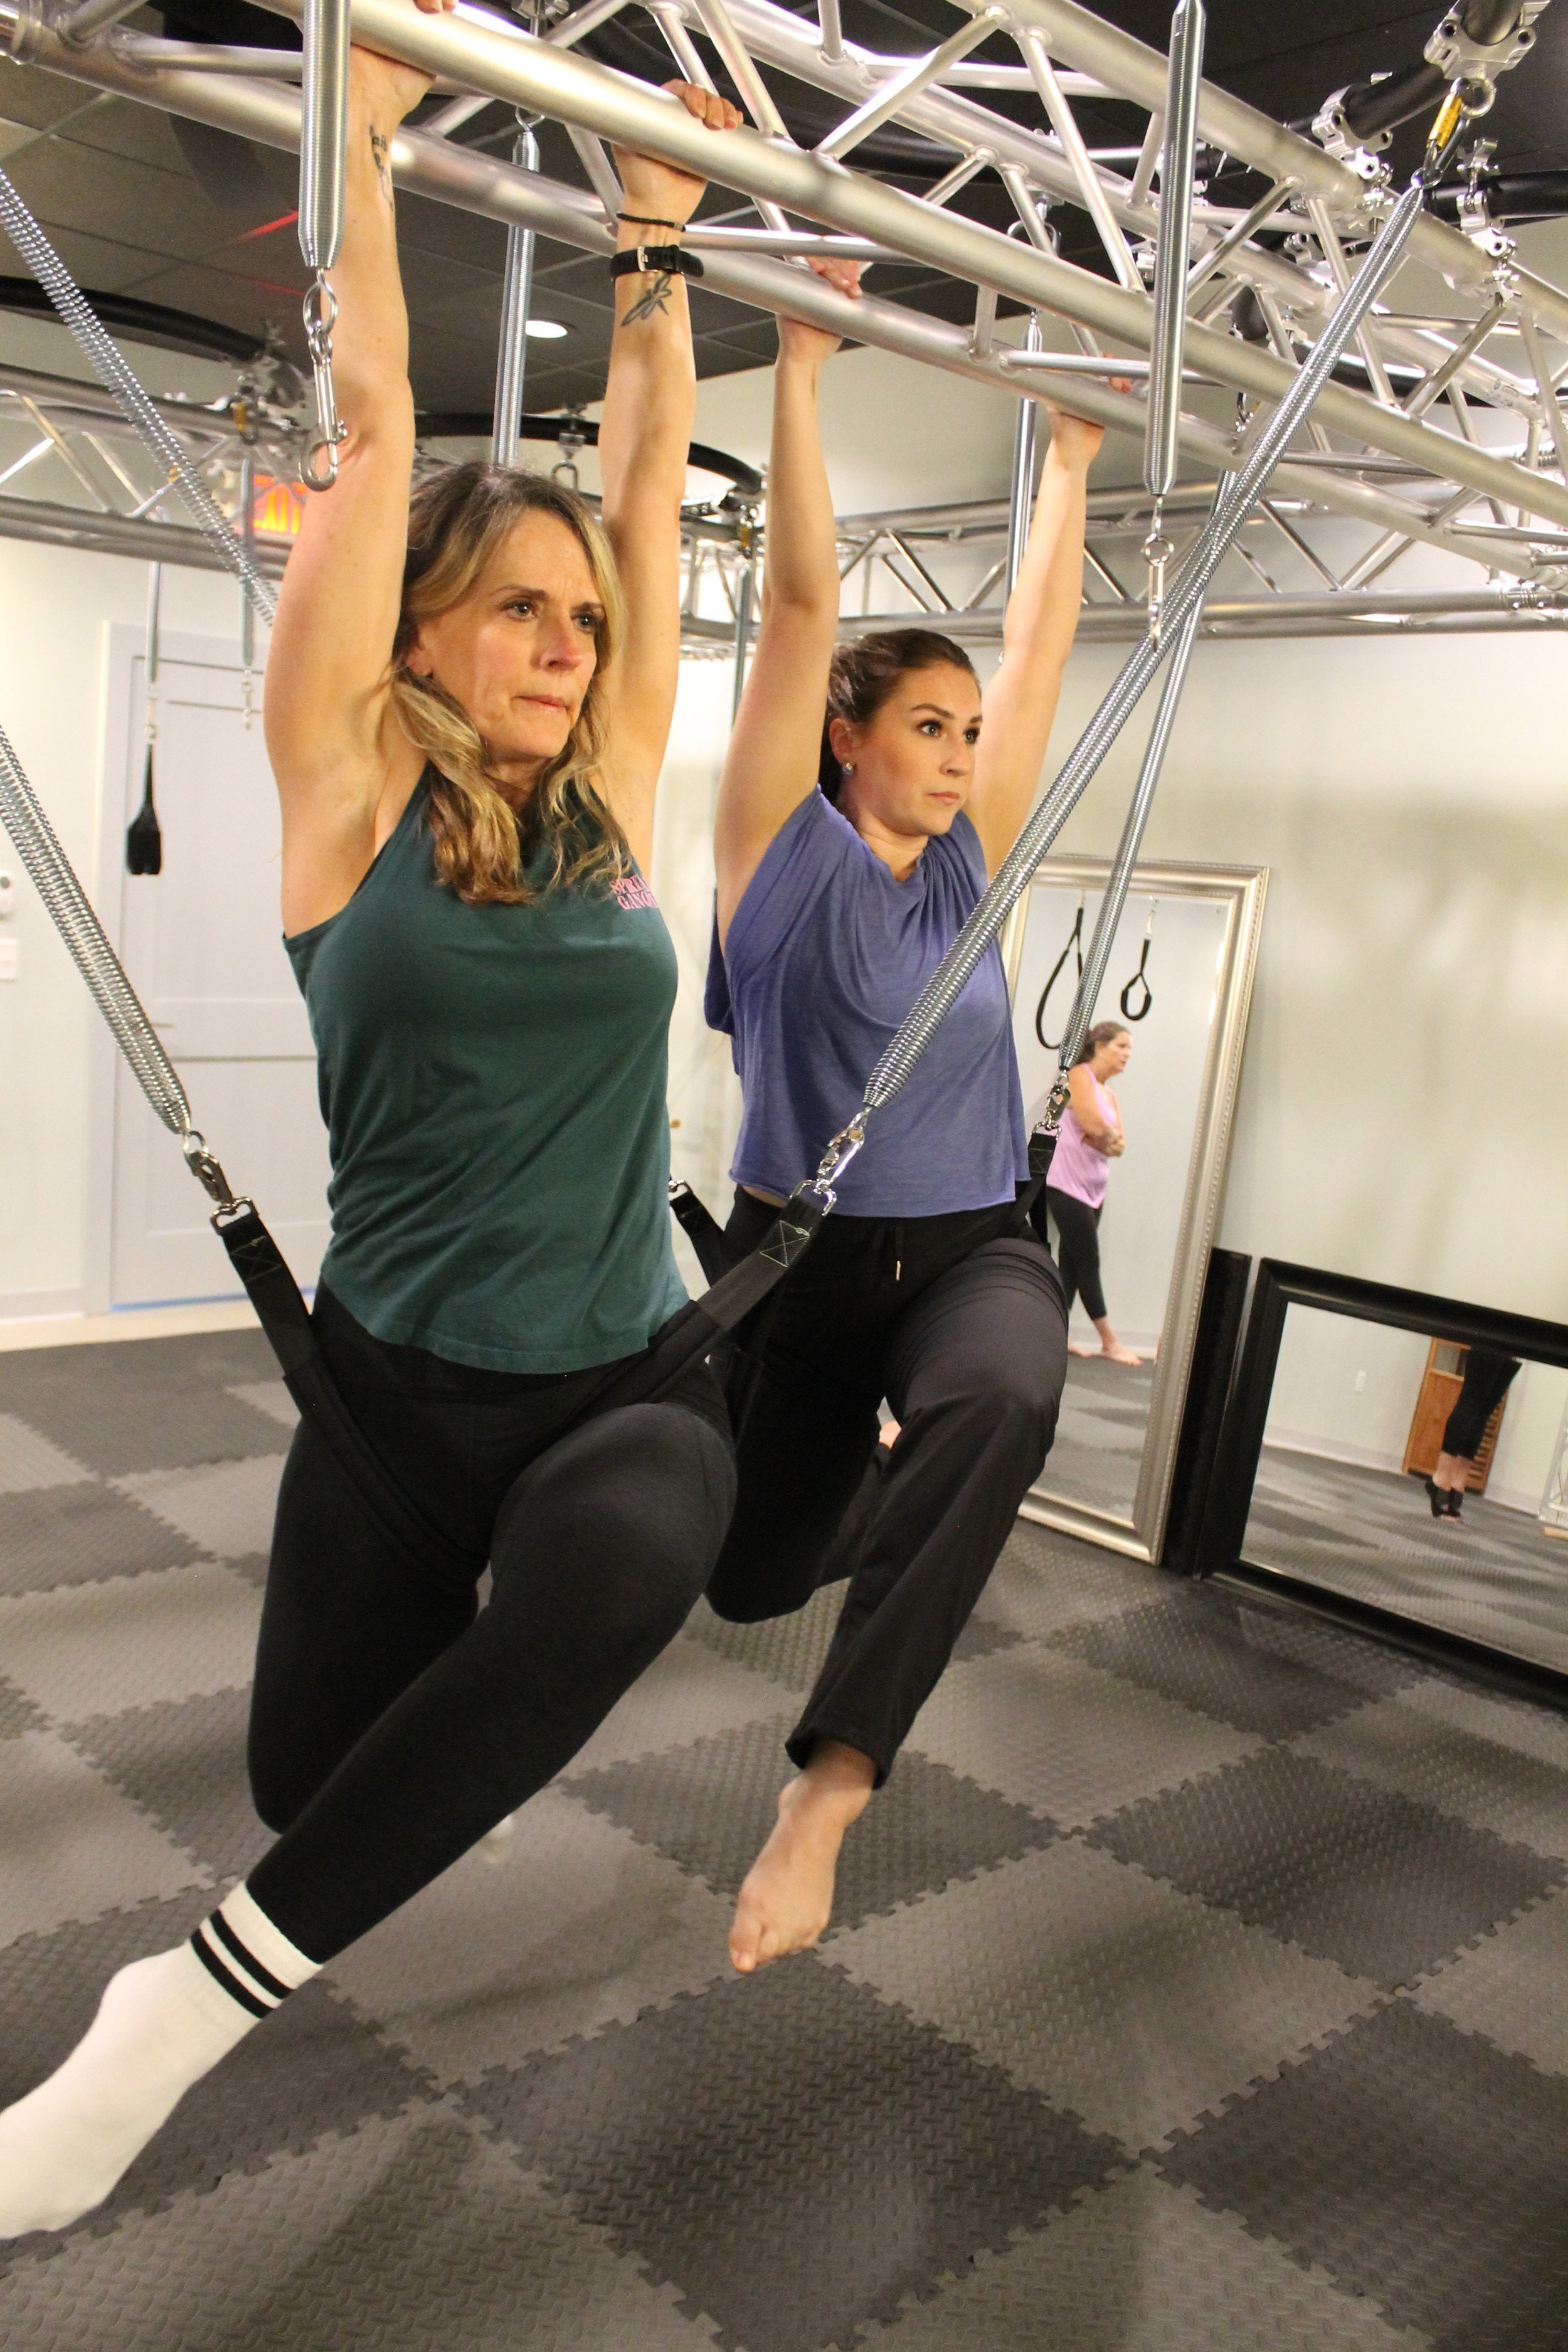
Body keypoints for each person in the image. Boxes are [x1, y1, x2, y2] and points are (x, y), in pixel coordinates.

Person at [0, 19, 743, 2238]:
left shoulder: (609, 797)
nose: (561, 635)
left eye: (583, 620)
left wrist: (654, 256)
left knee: (630, 1561)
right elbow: (379, 424)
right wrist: (366, 163)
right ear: (418, 620)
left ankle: (171, 2021)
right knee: (302, 1783)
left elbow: (637, 491)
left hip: (632, 1370)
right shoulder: (348, 801)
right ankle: (419, 1775)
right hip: (397, 1392)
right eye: (513, 606)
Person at [704, 263, 1105, 1974]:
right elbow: (798, 605)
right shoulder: (771, 856)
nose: (958, 748)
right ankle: (886, 1463)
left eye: (965, 729)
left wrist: (1069, 458)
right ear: (845, 738)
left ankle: (828, 1790)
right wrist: (796, 373)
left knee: (1013, 1380)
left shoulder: (970, 864)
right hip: (792, 1263)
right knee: (745, 1577)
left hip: (962, 1245)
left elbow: (1038, 648)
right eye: (925, 727)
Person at [1031, 1020, 1141, 1365]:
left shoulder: (1109, 1093)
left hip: (1094, 1187)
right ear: (1100, 1047)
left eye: (1129, 1049)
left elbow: (1119, 1144)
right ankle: (1109, 1340)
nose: (1127, 1055)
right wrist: (1105, 1135)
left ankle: (1054, 1337)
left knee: (1073, 1266)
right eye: (1122, 1047)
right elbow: (1095, 1126)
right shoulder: (1080, 1075)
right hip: (1066, 1182)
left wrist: (1105, 1137)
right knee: (1088, 1259)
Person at [1426, 1345, 1521, 1518]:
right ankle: (1441, 1479)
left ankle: (1457, 1481)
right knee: (1471, 1401)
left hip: (1515, 1337)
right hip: (1495, 1329)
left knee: (1484, 1410)